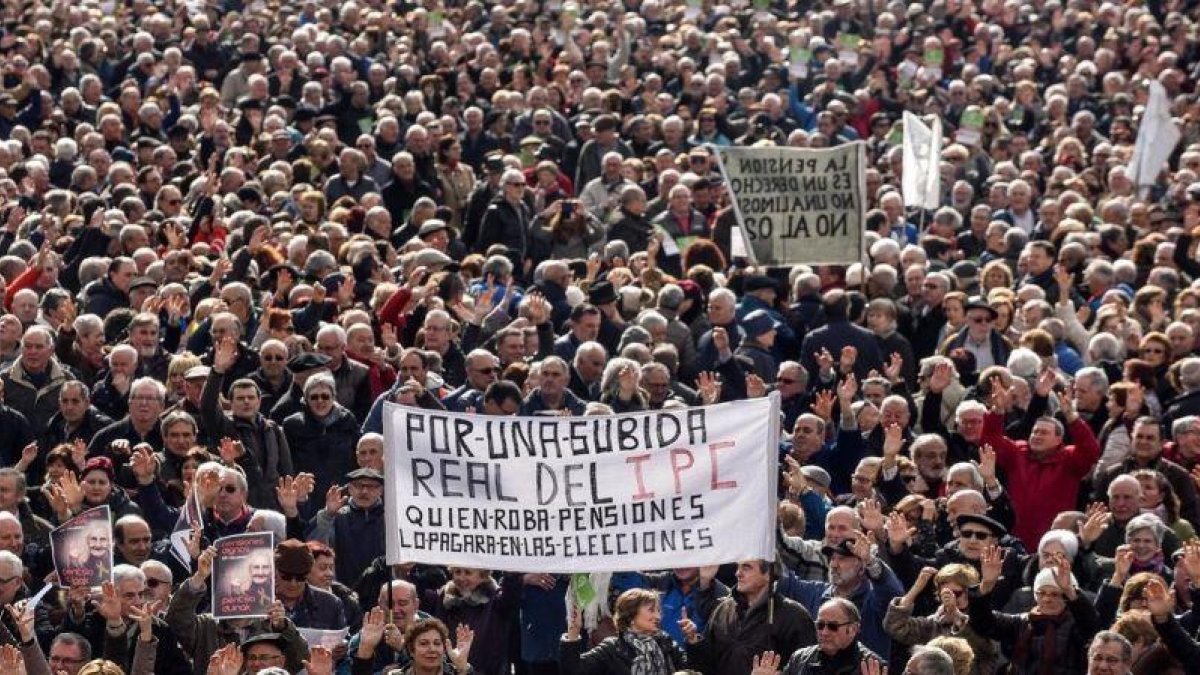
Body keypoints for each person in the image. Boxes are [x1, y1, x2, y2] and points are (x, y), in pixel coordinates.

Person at [561, 588, 687, 675]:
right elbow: (573, 671)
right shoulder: (613, 648)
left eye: (658, 611)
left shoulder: (665, 643)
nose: (658, 617)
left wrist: (693, 640)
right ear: (631, 616)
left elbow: (697, 668)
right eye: (651, 610)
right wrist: (573, 634)